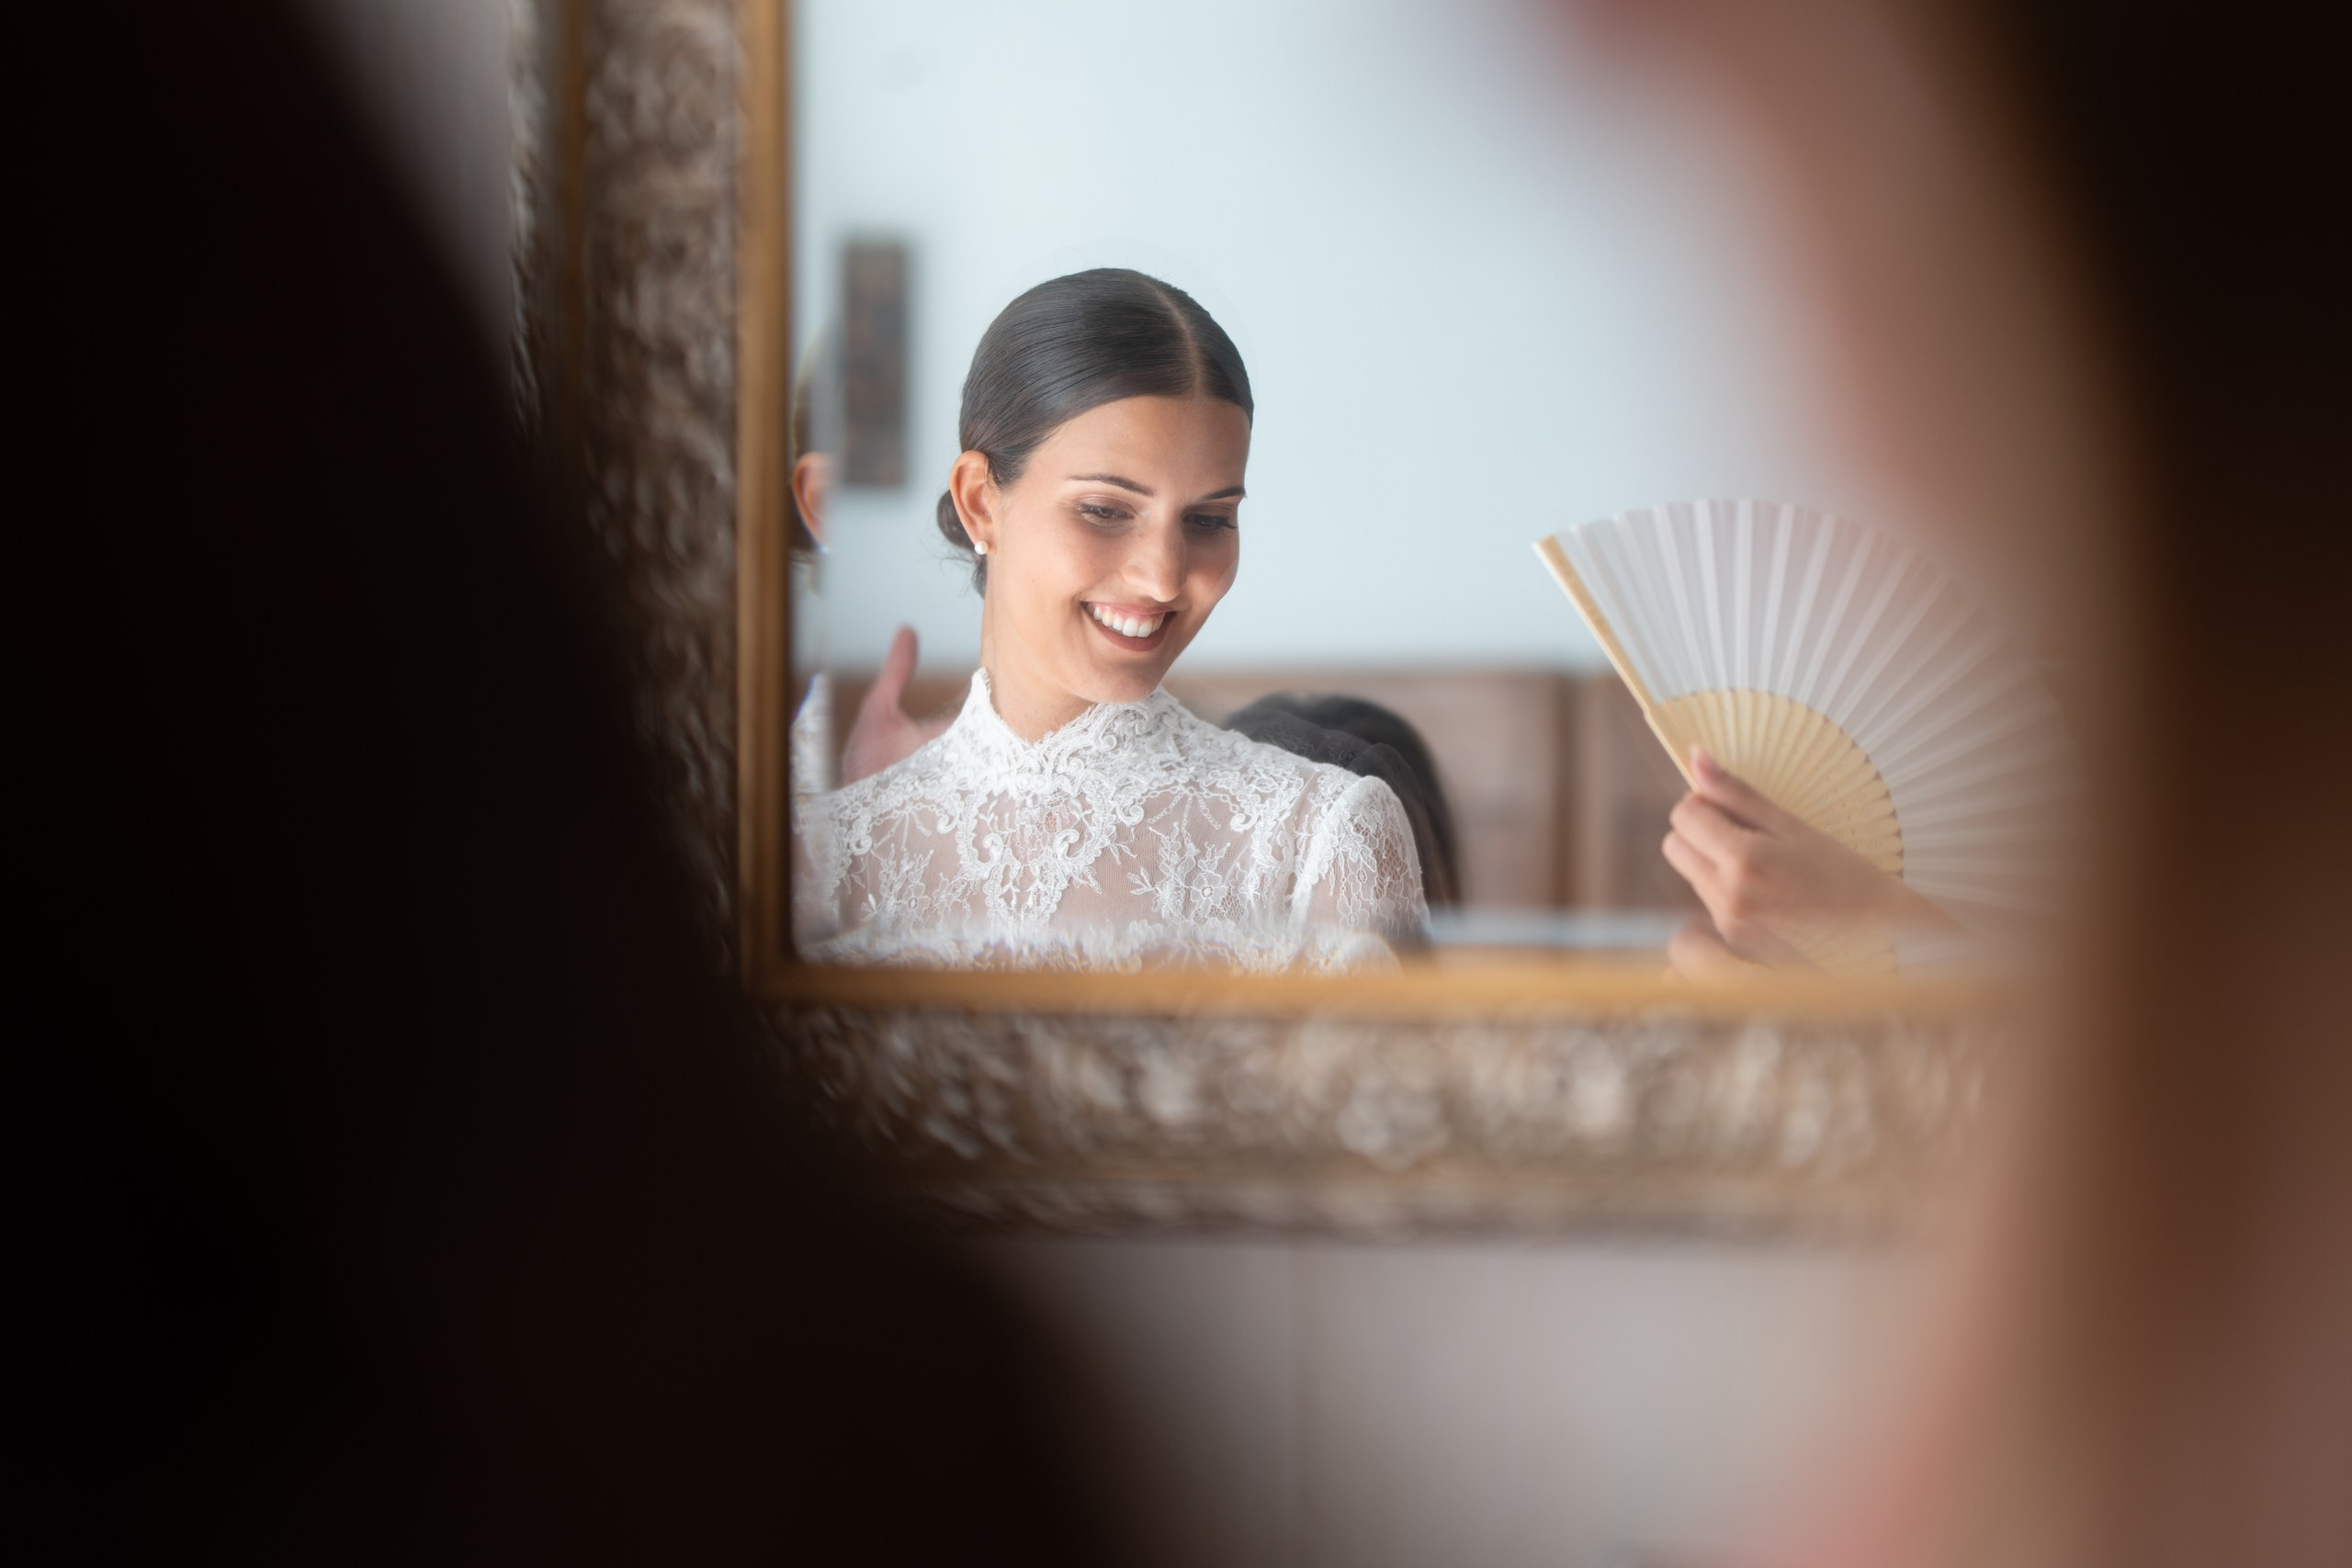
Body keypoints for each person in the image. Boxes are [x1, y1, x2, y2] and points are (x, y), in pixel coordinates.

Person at [794, 269, 1428, 972]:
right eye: (1105, 509)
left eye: (1210, 519)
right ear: (979, 502)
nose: (1162, 576)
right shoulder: (814, 861)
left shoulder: (1322, 839)